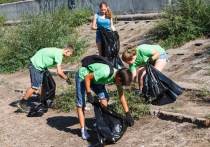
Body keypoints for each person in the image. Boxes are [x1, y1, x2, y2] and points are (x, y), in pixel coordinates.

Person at [75, 63, 134, 140]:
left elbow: (121, 96)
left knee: (104, 99)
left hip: (96, 79)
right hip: (83, 76)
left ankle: (101, 123)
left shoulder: (118, 77)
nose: (121, 86)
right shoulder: (105, 72)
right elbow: (87, 77)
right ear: (119, 78)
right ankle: (83, 130)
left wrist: (127, 113)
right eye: (121, 84)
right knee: (81, 104)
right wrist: (89, 93)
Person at [18, 45, 74, 112]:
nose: (69, 56)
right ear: (67, 51)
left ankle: (45, 101)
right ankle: (22, 103)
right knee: (35, 87)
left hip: (41, 66)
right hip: (36, 66)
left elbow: (43, 51)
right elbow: (59, 72)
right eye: (70, 54)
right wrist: (67, 79)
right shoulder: (59, 54)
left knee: (50, 84)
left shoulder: (57, 50)